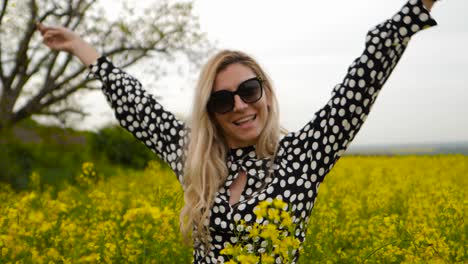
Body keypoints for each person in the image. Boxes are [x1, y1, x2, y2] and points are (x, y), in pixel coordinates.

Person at [37, 0, 439, 263]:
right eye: (223, 100)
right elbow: (137, 107)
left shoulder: (304, 156)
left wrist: (417, 7)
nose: (242, 107)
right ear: (210, 112)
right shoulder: (194, 157)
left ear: (265, 90)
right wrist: (80, 48)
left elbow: (362, 81)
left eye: (249, 90)